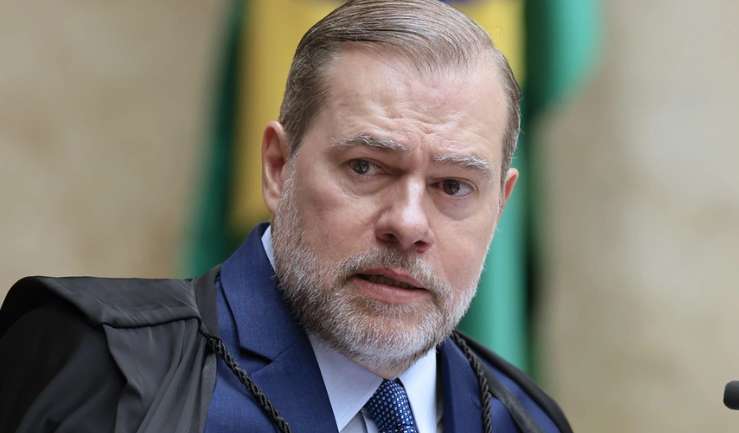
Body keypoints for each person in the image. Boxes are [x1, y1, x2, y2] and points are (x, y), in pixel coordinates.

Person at [0, 1, 573, 432]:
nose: (408, 223)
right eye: (366, 167)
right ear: (278, 166)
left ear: (500, 205)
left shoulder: (527, 420)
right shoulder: (113, 369)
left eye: (452, 186)